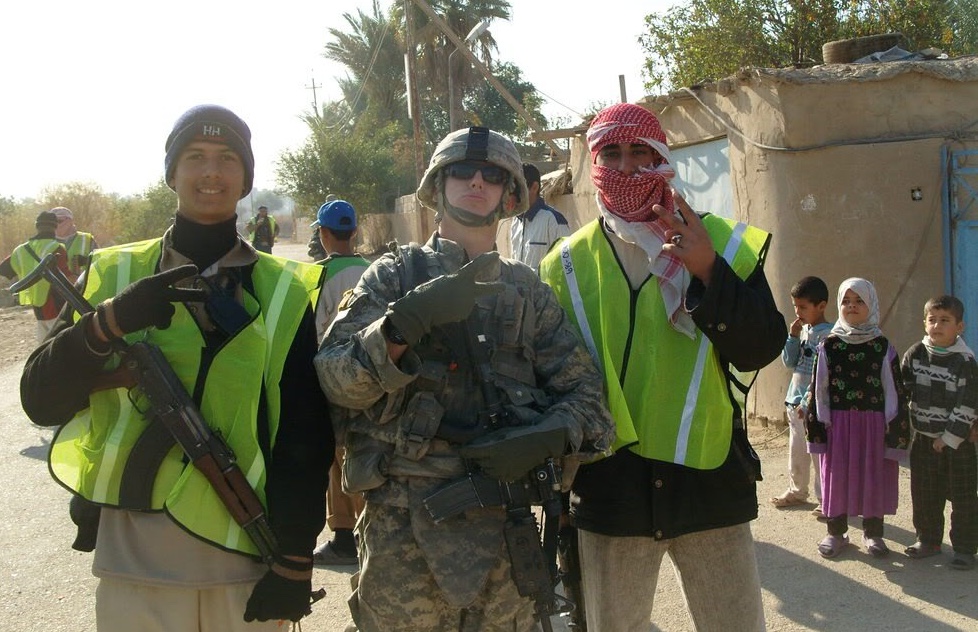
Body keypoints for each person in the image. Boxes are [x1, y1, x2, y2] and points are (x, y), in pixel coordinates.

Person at [19, 104, 334, 630]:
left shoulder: (283, 287)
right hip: (134, 562)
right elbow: (39, 399)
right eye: (195, 156)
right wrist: (106, 324)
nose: (211, 171)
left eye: (227, 157)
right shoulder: (114, 271)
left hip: (245, 558)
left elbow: (305, 431)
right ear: (171, 174)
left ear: (245, 178)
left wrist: (296, 559)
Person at [315, 125, 615, 631]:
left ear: (510, 196)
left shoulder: (528, 294)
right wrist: (399, 328)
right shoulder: (393, 277)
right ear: (438, 187)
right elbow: (334, 383)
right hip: (402, 534)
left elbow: (590, 403)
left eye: (492, 176)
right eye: (462, 171)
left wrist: (552, 433)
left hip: (506, 534)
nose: (476, 181)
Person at [538, 102, 785, 632]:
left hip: (708, 480)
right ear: (594, 162)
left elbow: (760, 347)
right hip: (611, 489)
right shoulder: (564, 264)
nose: (626, 167)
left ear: (662, 157)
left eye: (640, 152)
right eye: (611, 154)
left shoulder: (721, 242)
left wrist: (708, 270)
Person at [805, 277, 910, 559]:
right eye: (846, 301)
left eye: (859, 301)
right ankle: (835, 533)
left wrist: (893, 427)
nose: (852, 306)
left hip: (873, 425)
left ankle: (873, 534)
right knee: (836, 478)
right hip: (838, 425)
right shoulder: (829, 345)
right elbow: (819, 388)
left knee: (873, 477)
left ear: (871, 304)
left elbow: (893, 389)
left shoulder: (881, 346)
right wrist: (820, 423)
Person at [309, 198, 370, 566]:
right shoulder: (373, 270)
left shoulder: (318, 276)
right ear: (354, 232)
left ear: (324, 233)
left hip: (331, 380)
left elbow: (311, 331)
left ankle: (347, 536)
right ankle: (364, 534)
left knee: (337, 457)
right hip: (371, 378)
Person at [900, 294, 978, 570]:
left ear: (959, 327)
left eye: (945, 320)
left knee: (963, 496)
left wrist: (948, 438)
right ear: (924, 323)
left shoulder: (964, 362)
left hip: (958, 443)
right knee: (924, 493)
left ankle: (965, 549)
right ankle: (928, 540)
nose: (937, 326)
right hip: (923, 438)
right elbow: (903, 390)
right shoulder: (916, 354)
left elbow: (968, 403)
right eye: (932, 320)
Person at [771, 276, 831, 517]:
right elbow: (789, 362)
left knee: (818, 454)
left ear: (821, 306)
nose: (798, 312)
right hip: (794, 403)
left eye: (803, 307)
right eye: (795, 306)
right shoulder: (802, 330)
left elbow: (823, 374)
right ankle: (797, 491)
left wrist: (808, 400)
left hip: (815, 406)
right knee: (797, 452)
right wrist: (793, 337)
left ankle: (826, 498)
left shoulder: (829, 336)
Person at [0, 210, 75, 342]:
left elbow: (3, 270)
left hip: (37, 306)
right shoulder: (57, 248)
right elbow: (68, 279)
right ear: (55, 227)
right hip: (57, 304)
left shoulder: (20, 250)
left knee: (44, 343)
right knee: (61, 343)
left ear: (37, 226)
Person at [509, 162, 571, 271]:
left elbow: (567, 266)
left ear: (534, 187)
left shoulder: (554, 221)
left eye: (518, 189)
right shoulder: (515, 222)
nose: (513, 194)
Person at [51, 206, 99, 277]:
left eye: (59, 221)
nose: (56, 225)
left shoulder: (86, 239)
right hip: (53, 283)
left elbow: (99, 261)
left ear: (70, 221)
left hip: (81, 283)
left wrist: (87, 260)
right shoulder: (46, 241)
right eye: (52, 222)